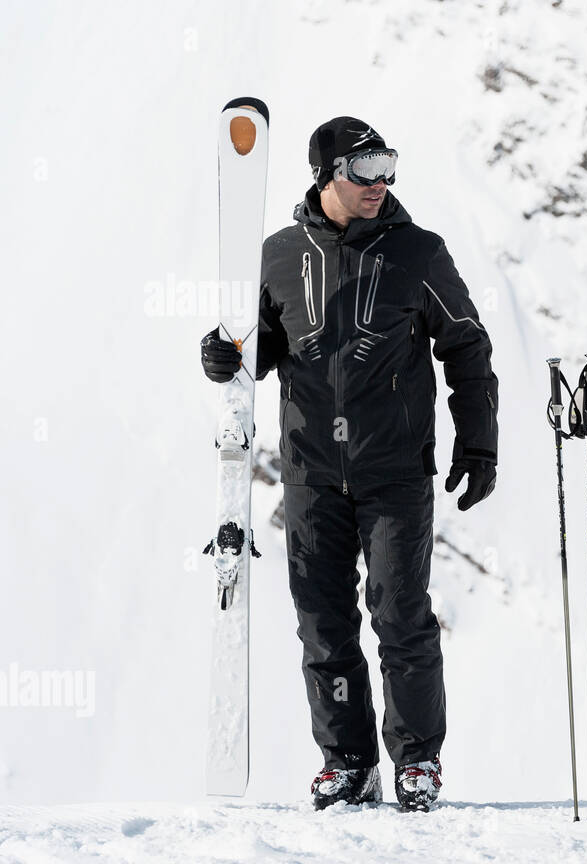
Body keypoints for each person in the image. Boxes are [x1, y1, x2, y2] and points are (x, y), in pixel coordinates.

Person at [200, 116, 498, 812]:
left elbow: (468, 346)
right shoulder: (275, 256)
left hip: (393, 471)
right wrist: (222, 354)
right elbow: (260, 348)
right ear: (327, 175)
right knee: (323, 625)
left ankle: (417, 762)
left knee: (400, 618)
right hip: (309, 472)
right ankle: (349, 762)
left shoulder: (418, 253)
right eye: (365, 170)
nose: (381, 183)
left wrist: (478, 441)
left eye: (389, 166)